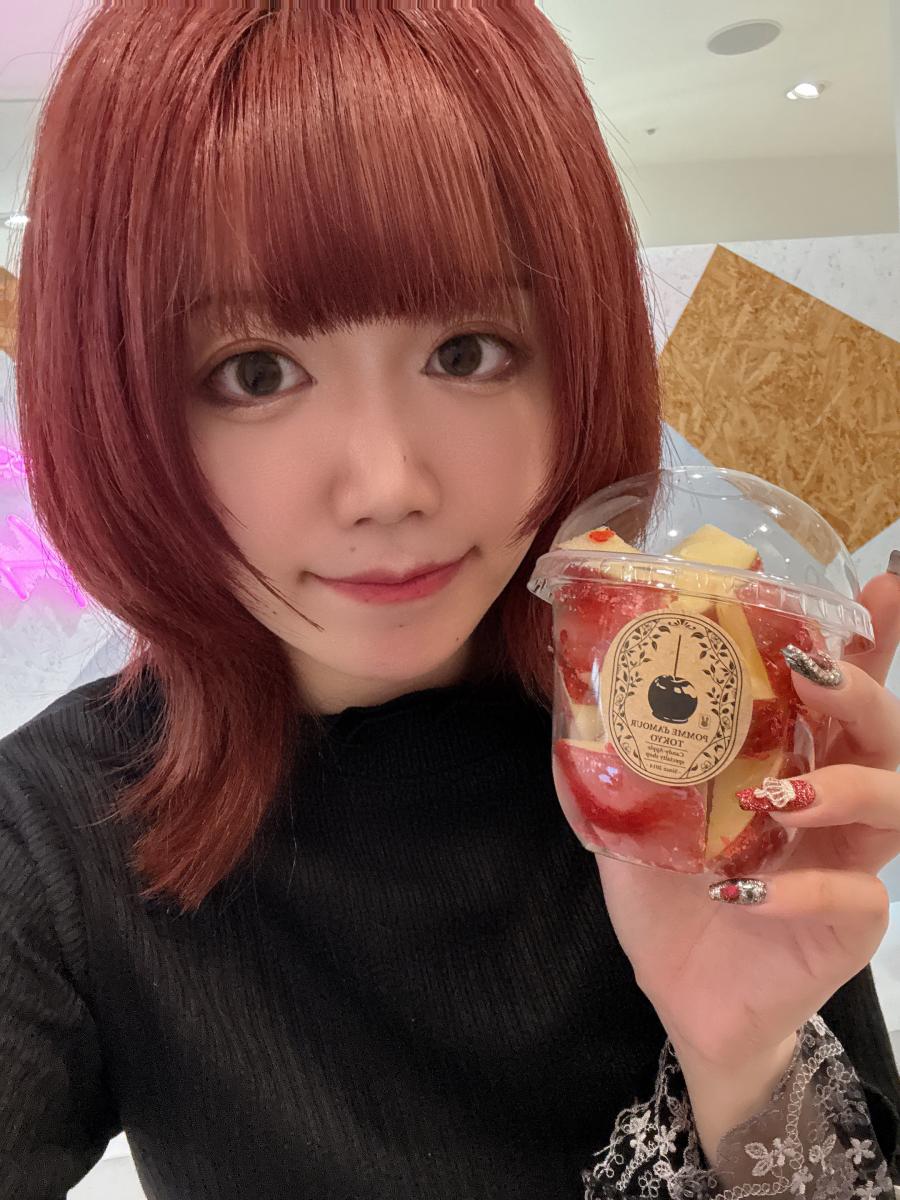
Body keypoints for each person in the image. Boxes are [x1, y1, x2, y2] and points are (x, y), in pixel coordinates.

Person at [2, 4, 900, 1198]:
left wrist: (744, 1060)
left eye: (468, 351)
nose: (390, 486)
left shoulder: (685, 736)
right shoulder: (55, 836)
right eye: (255, 372)